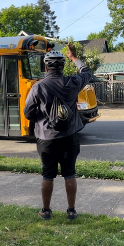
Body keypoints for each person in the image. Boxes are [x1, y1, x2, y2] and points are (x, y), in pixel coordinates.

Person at [22, 44, 94, 221]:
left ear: (46, 67)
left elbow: (28, 113)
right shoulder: (73, 83)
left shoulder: (38, 88)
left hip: (46, 138)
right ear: (62, 66)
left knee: (48, 174)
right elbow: (86, 71)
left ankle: (46, 211)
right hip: (70, 136)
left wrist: (43, 119)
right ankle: (71, 211)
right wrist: (74, 57)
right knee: (69, 172)